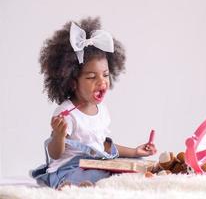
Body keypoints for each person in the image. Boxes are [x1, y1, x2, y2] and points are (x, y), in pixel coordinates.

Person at [31, 17, 157, 189]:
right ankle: (70, 187)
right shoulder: (67, 112)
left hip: (95, 163)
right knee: (92, 175)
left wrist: (135, 152)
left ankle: (94, 184)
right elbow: (55, 153)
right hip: (69, 168)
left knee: (131, 166)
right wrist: (59, 135)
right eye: (91, 77)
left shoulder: (102, 111)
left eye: (105, 75)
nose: (101, 81)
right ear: (72, 82)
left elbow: (102, 146)